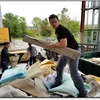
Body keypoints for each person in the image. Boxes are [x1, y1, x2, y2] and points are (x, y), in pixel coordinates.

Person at [47, 14, 88, 97]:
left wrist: (53, 45)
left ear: (58, 21)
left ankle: (84, 93)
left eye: (55, 22)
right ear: (50, 23)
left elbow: (63, 44)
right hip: (66, 51)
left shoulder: (61, 29)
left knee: (74, 74)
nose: (53, 24)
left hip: (73, 52)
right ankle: (58, 81)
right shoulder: (58, 30)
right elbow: (62, 43)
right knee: (59, 66)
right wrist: (54, 44)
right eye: (52, 22)